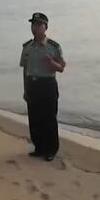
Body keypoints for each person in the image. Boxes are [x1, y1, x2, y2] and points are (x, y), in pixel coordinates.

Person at [19, 12, 66, 162]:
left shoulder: (53, 46)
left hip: (47, 85)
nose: (35, 27)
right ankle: (39, 147)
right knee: (34, 118)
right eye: (33, 24)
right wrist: (25, 89)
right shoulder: (27, 47)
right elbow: (25, 70)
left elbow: (61, 67)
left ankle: (51, 149)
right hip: (32, 84)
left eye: (39, 24)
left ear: (46, 27)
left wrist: (52, 63)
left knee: (49, 118)